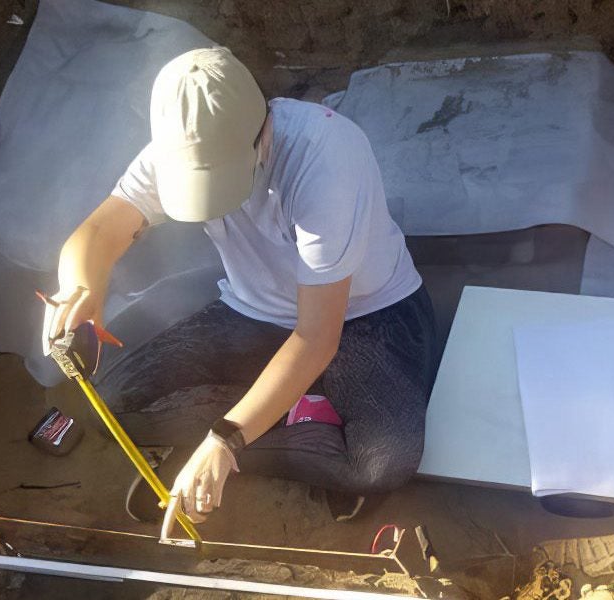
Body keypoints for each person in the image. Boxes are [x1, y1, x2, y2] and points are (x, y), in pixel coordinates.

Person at [39, 47, 437, 539]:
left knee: (382, 461)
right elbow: (99, 232)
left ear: (263, 132)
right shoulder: (176, 151)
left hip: (367, 316)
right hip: (254, 312)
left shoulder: (325, 161)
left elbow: (316, 336)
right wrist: (78, 287)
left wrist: (225, 439)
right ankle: (300, 418)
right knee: (116, 405)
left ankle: (254, 432)